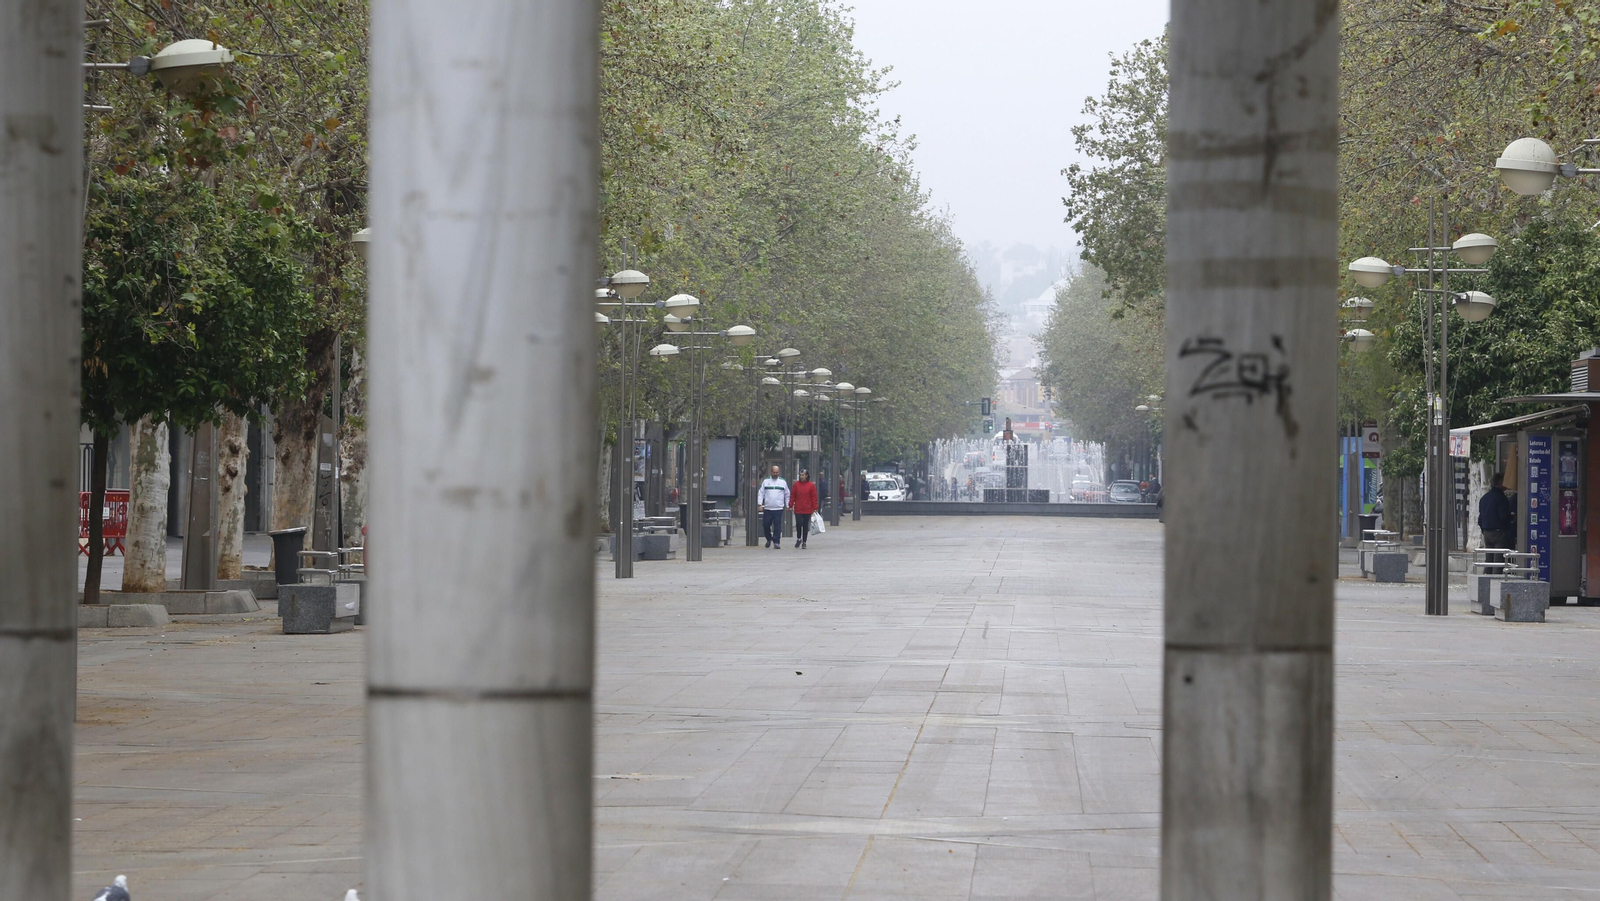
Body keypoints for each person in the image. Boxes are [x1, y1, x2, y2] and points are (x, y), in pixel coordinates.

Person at [1478, 471, 1515, 558]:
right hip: (1499, 533)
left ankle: (1487, 572)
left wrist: (1484, 529)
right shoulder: (1501, 498)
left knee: (1489, 560)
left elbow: (1480, 518)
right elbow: (1503, 517)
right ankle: (1496, 572)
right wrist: (1512, 518)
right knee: (1499, 560)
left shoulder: (1484, 498)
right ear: (1500, 482)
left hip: (1486, 532)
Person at [758, 465, 790, 549]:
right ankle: (769, 539)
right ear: (771, 472)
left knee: (777, 526)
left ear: (778, 472)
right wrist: (759, 504)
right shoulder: (766, 481)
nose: (775, 474)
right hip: (768, 508)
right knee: (766, 525)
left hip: (778, 508)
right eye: (774, 472)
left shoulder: (783, 482)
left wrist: (788, 505)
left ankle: (776, 542)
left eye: (777, 472)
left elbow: (787, 494)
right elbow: (761, 493)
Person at [790, 469, 820, 548]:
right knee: (798, 524)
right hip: (798, 508)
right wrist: (790, 505)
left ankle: (804, 541)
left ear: (806, 476)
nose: (801, 477)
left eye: (803, 475)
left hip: (807, 508)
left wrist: (815, 507)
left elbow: (814, 497)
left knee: (805, 525)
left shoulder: (811, 485)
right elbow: (793, 495)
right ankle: (799, 538)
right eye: (800, 475)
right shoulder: (796, 485)